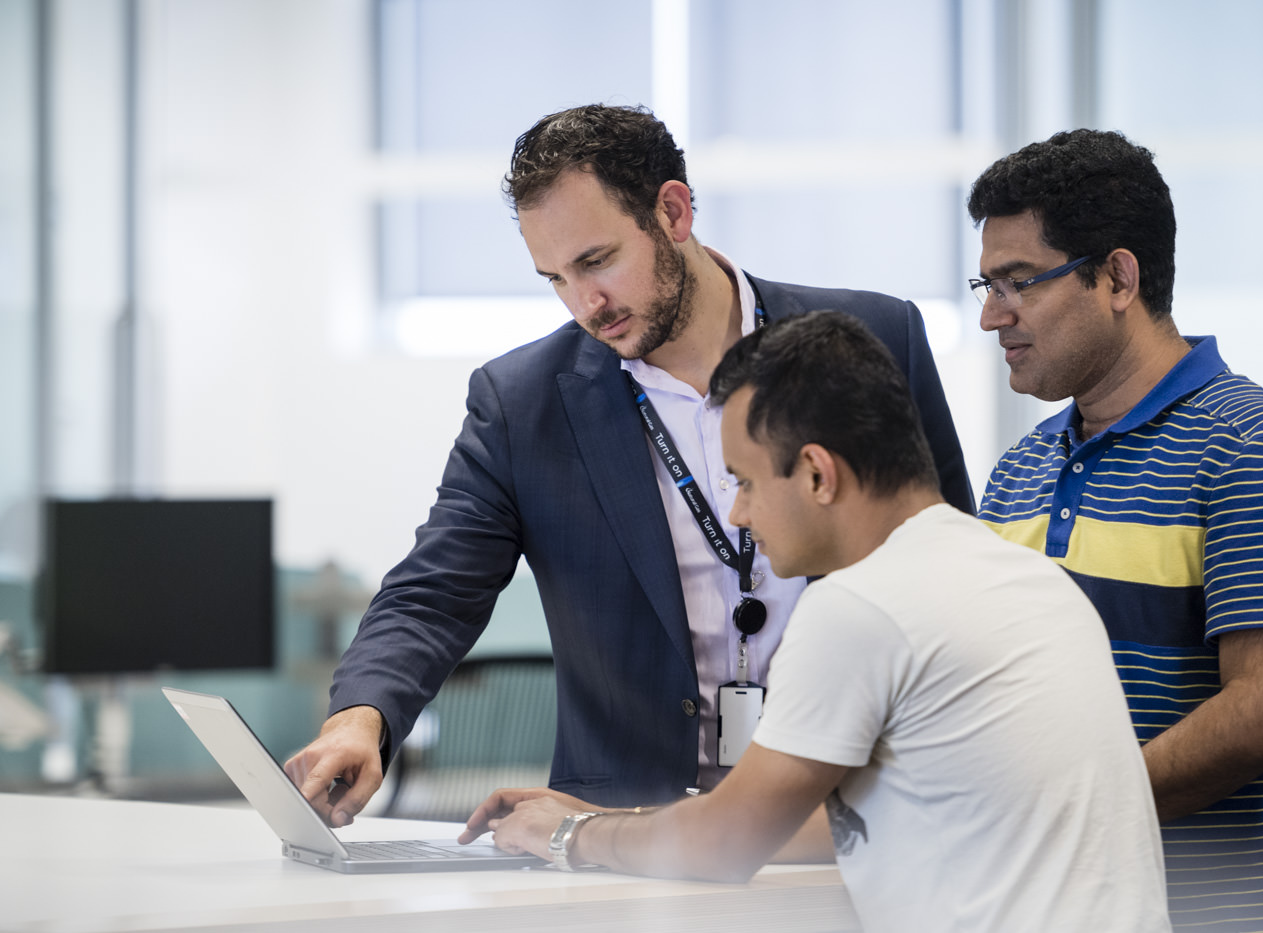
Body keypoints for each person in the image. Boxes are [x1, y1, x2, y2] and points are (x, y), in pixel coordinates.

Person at [285, 104, 974, 822]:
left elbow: (946, 557)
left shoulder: (876, 339)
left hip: (862, 816)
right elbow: (433, 589)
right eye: (554, 277)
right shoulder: (522, 403)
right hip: (625, 841)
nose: (586, 303)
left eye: (597, 260)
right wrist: (359, 718)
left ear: (673, 212)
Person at [464, 310, 1171, 933]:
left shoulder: (862, 604)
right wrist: (604, 817)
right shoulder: (1018, 576)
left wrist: (573, 835)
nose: (737, 513)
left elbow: (728, 842)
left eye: (744, 481)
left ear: (817, 474)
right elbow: (810, 824)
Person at [967, 128, 1263, 932]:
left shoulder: (1259, 448)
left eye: (1018, 282)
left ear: (1117, 277)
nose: (990, 316)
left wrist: (1063, 819)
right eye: (985, 283)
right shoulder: (1015, 474)